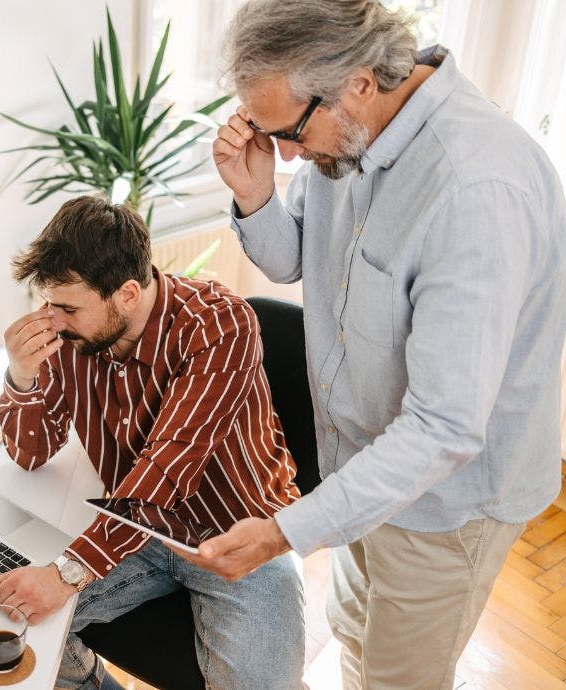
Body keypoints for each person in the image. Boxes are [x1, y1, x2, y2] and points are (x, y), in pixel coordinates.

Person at [185, 1, 566, 688]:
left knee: (400, 678)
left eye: (291, 132)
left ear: (359, 80)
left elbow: (444, 427)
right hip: (360, 467)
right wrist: (255, 196)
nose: (292, 153)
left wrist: (283, 531)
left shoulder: (475, 189)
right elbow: (294, 257)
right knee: (356, 631)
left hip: (447, 504)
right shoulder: (353, 134)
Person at [0, 194, 304, 690]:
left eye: (67, 307)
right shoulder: (74, 336)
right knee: (4, 624)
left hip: (239, 535)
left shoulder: (221, 326)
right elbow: (32, 452)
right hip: (134, 531)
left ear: (128, 294)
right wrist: (22, 375)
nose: (53, 319)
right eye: (48, 303)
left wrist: (67, 573)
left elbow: (168, 467)